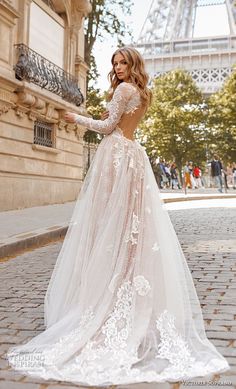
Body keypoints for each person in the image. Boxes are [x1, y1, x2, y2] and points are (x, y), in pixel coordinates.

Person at [7, 46, 229, 386]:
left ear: (133, 64)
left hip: (116, 157)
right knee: (127, 226)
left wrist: (76, 118)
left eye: (123, 62)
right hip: (133, 159)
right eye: (115, 63)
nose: (118, 67)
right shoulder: (143, 93)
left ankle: (104, 296)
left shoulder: (124, 90)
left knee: (108, 224)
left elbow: (109, 125)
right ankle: (122, 286)